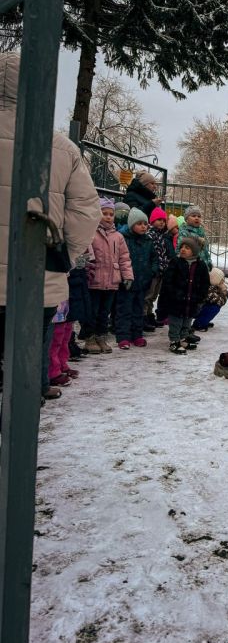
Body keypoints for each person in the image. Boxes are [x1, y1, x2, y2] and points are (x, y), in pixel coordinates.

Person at [0, 51, 100, 401]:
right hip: (37, 279)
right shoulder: (62, 148)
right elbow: (87, 211)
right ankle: (17, 452)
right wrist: (61, 256)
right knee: (25, 369)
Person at [81, 197, 133, 353]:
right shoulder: (90, 233)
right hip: (94, 280)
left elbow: (124, 258)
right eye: (105, 213)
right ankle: (89, 338)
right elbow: (85, 254)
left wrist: (128, 276)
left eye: (111, 214)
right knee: (92, 311)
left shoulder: (118, 237)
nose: (108, 217)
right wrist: (85, 271)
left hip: (111, 281)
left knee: (105, 312)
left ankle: (100, 336)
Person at [157, 236, 210, 354]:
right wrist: (172, 294)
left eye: (187, 248)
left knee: (187, 321)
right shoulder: (175, 262)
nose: (183, 249)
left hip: (192, 300)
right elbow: (168, 280)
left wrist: (201, 296)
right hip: (176, 300)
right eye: (181, 247)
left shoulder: (201, 266)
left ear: (194, 251)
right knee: (175, 322)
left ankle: (183, 338)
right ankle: (174, 341)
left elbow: (205, 283)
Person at [116, 208, 158, 349]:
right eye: (139, 223)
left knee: (139, 310)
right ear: (132, 224)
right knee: (124, 310)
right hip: (126, 283)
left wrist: (152, 271)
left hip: (142, 282)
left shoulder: (148, 240)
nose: (143, 227)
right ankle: (123, 336)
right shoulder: (123, 238)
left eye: (145, 224)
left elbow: (154, 258)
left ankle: (137, 335)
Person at [144, 206, 174, 329]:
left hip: (161, 270)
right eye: (158, 220)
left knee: (154, 295)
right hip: (153, 271)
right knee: (148, 295)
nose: (161, 222)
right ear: (152, 221)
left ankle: (150, 315)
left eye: (163, 220)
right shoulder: (150, 235)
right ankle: (144, 317)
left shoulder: (162, 235)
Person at [176, 205, 212, 270]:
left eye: (199, 216)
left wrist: (209, 262)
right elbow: (179, 249)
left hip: (203, 265)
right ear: (186, 219)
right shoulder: (184, 232)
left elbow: (206, 250)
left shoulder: (202, 233)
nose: (196, 218)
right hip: (190, 266)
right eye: (193, 216)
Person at [193, 267, 228, 331]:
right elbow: (220, 301)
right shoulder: (207, 287)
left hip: (198, 307)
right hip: (194, 309)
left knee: (214, 306)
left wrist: (223, 291)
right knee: (214, 307)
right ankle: (199, 324)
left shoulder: (213, 286)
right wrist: (224, 291)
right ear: (215, 279)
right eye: (221, 279)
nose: (223, 281)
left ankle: (203, 321)